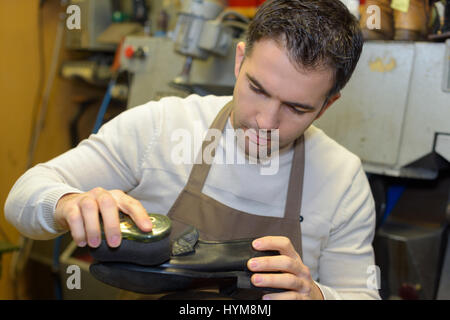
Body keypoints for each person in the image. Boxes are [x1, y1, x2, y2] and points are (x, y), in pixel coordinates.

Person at [5, 0, 380, 300]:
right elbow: (21, 198)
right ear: (239, 60)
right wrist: (68, 203)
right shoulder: (162, 127)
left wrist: (315, 295)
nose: (266, 121)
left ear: (328, 105)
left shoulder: (341, 179)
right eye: (258, 89)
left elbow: (360, 294)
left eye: (296, 108)